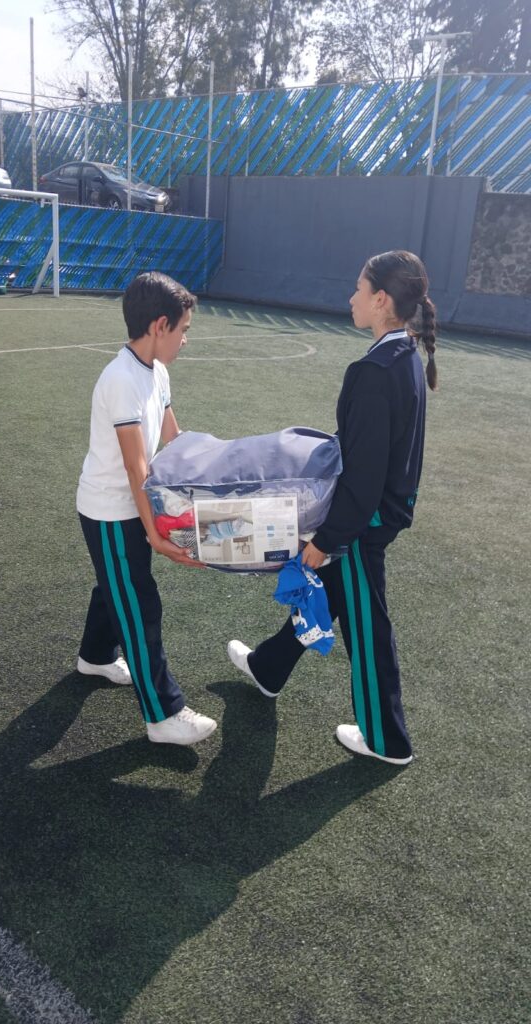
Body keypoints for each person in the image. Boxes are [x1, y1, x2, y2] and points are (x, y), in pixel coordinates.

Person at [228, 250, 438, 766]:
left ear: (381, 299)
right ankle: (270, 667)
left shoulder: (375, 370)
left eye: (358, 289)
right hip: (379, 512)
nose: (351, 298)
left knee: (368, 626)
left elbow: (364, 476)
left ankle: (387, 741)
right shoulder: (404, 355)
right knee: (333, 594)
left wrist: (326, 540)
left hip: (365, 522)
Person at [76, 271, 217, 745]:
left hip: (130, 507)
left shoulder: (156, 371)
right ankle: (163, 715)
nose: (185, 339)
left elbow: (173, 438)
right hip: (110, 511)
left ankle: (95, 656)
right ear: (160, 326)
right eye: (184, 329)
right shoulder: (121, 379)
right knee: (138, 603)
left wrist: (217, 467)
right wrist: (155, 533)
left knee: (116, 585)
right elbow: (137, 465)